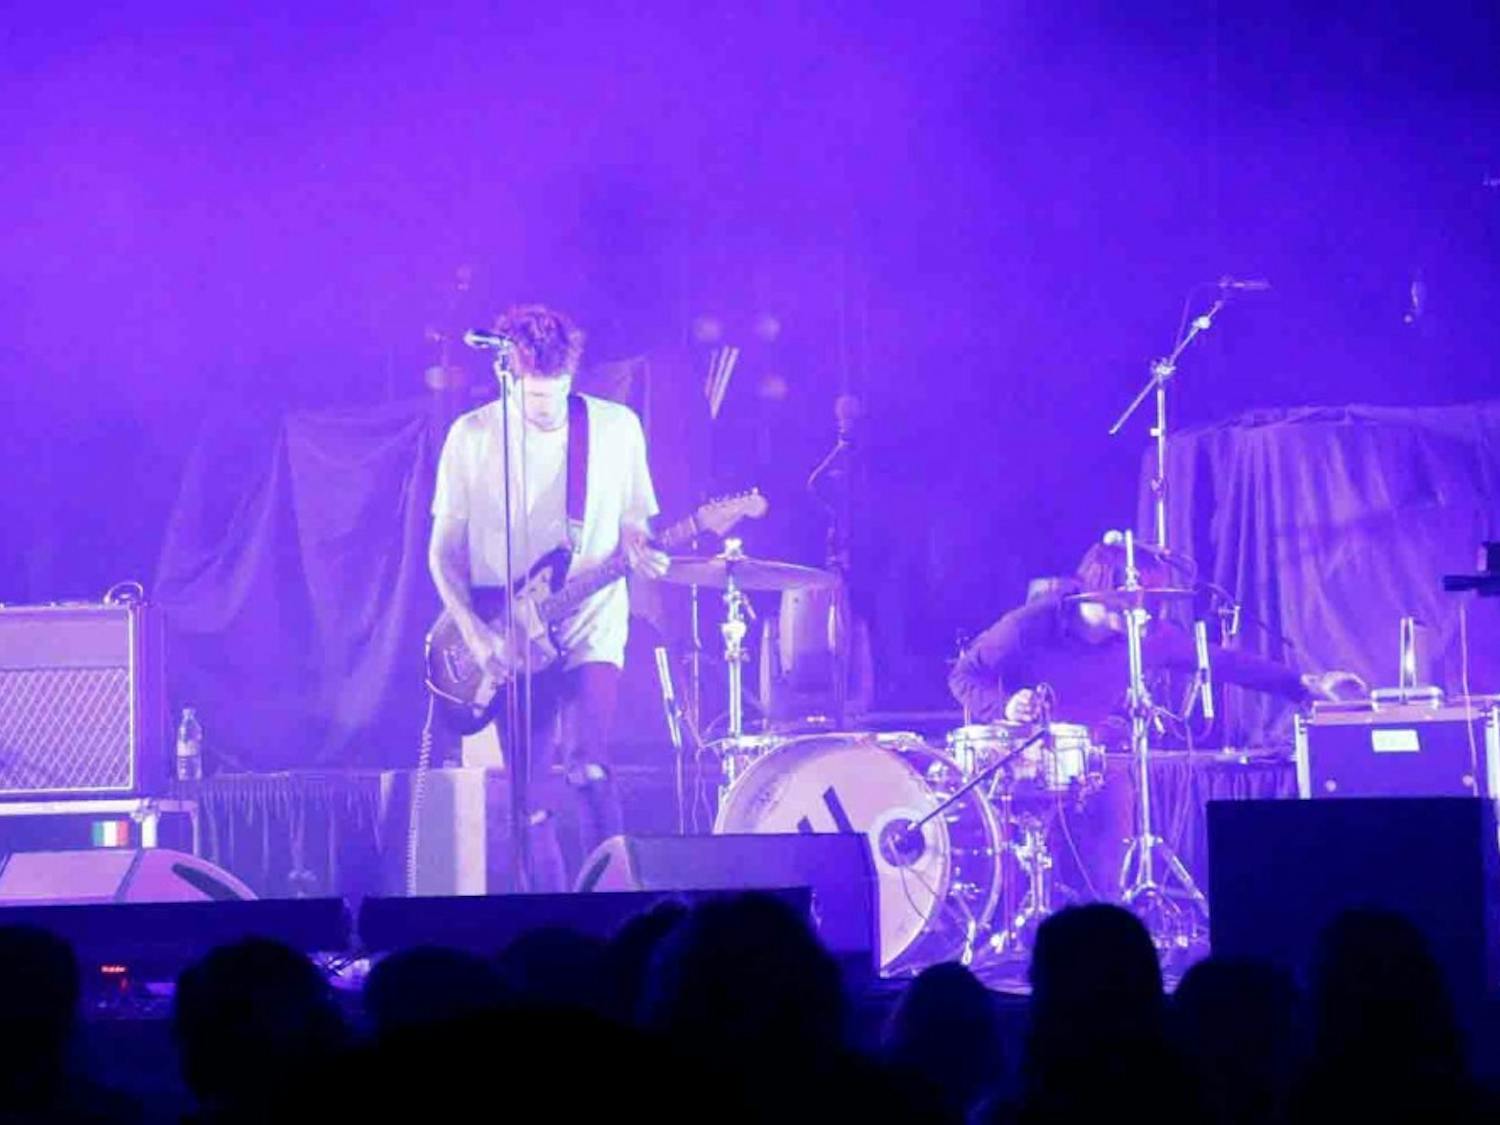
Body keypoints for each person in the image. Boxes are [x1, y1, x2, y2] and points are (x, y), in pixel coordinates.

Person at [429, 303, 667, 885]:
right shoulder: (472, 437)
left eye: (557, 395)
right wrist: (476, 633)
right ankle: (553, 924)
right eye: (535, 399)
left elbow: (637, 518)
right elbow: (442, 552)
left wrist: (638, 545)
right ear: (506, 374)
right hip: (506, 632)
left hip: (592, 617)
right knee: (529, 802)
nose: (547, 411)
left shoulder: (616, 428)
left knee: (590, 766)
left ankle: (615, 905)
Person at [948, 538, 1364, 739]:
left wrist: (1303, 684)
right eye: (1135, 596)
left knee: (1108, 854)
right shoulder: (1028, 626)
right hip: (1024, 765)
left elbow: (1219, 661)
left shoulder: (1144, 637)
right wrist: (1005, 705)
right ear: (1102, 588)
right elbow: (963, 676)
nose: (1145, 609)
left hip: (1096, 763)